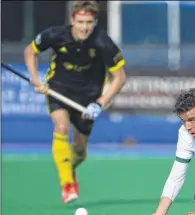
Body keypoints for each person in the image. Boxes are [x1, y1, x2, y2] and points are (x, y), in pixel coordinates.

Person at [24, 1, 126, 204]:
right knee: (61, 126)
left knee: (79, 151)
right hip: (58, 88)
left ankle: (68, 169)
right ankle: (67, 184)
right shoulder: (56, 34)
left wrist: (100, 102)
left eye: (89, 22)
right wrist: (35, 78)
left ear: (95, 21)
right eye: (80, 22)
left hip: (88, 98)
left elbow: (120, 77)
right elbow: (30, 51)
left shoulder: (103, 42)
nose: (84, 27)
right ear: (72, 20)